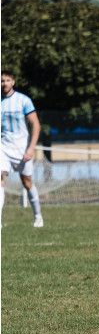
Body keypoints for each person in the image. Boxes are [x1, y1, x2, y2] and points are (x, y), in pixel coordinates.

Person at [1, 69, 44, 227]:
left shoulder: (23, 100)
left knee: (26, 182)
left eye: (7, 80)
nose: (4, 83)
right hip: (3, 147)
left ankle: (38, 216)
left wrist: (31, 148)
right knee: (0, 178)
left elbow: (35, 124)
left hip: (22, 148)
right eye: (1, 81)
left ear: (13, 82)